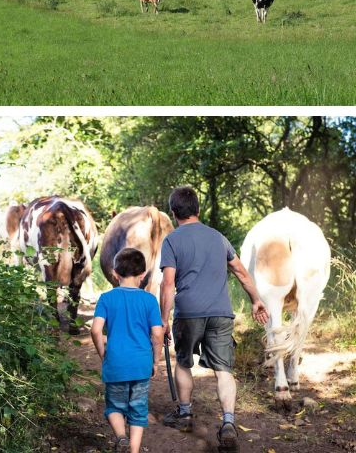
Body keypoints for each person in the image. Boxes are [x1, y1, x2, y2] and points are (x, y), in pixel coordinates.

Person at [159, 187, 270, 452]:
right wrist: (256, 300)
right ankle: (229, 422)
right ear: (198, 209)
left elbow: (167, 284)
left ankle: (184, 414)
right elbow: (241, 271)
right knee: (224, 370)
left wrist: (163, 319)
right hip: (221, 312)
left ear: (174, 213)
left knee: (183, 363)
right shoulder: (218, 238)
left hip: (188, 313)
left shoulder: (172, 240)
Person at [90, 247, 164, 453]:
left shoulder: (106, 298)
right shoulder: (149, 300)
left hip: (116, 362)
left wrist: (103, 354)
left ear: (114, 273)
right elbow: (157, 334)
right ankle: (133, 450)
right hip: (141, 364)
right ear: (142, 275)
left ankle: (121, 437)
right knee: (138, 410)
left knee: (114, 407)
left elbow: (96, 330)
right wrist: (155, 361)